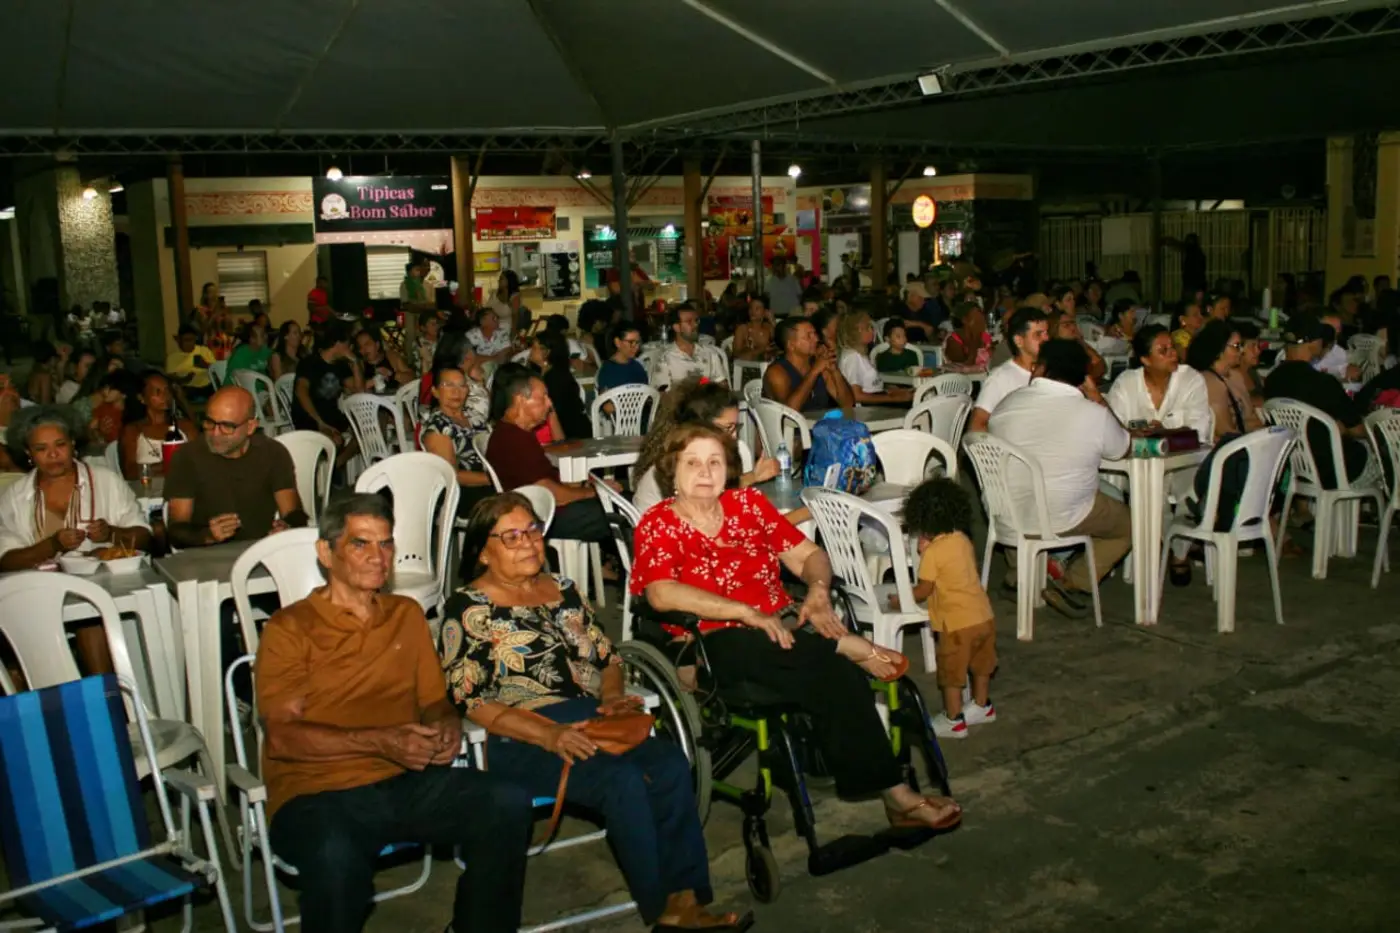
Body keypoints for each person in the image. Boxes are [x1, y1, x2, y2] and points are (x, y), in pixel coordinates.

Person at [441, 493, 753, 932]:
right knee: (620, 781)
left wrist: (611, 695)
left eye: (532, 530)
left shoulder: (565, 589)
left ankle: (687, 898)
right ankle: (664, 913)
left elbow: (610, 658)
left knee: (668, 763)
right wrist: (549, 735)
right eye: (510, 536)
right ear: (482, 552)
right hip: (522, 733)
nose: (528, 542)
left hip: (592, 717)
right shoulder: (469, 608)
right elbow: (471, 701)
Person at [631, 423, 960, 830]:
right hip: (715, 639)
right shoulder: (658, 523)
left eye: (714, 462)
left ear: (728, 469)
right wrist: (744, 612)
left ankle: (893, 793)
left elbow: (809, 555)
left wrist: (818, 590)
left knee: (833, 671)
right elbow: (660, 593)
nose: (705, 471)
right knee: (804, 654)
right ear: (672, 471)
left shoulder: (748, 504)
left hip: (783, 628)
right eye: (692, 463)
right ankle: (895, 788)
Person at [254, 492, 530, 933]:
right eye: (360, 543)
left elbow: (434, 701)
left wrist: (444, 728)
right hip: (318, 792)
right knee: (336, 859)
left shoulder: (405, 614)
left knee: (506, 802)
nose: (377, 556)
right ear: (326, 552)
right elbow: (283, 737)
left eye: (385, 544)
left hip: (402, 778)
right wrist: (381, 741)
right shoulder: (291, 628)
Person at [0, 406, 151, 672]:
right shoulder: (16, 496)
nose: (53, 455)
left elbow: (145, 537)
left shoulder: (105, 481)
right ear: (28, 453)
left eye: (60, 445)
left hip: (106, 591)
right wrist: (52, 545)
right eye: (41, 449)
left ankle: (103, 694)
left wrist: (111, 533)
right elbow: (6, 560)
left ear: (73, 444)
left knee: (88, 619)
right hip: (40, 597)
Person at [989, 339, 1132, 617]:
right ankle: (1073, 582)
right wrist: (1097, 398)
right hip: (1061, 517)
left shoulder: (1007, 403)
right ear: (1082, 377)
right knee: (1129, 524)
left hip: (1005, 514)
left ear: (1041, 368)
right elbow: (1122, 448)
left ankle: (1020, 574)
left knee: (1023, 495)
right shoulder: (1093, 413)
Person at [899, 477, 997, 739]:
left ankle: (954, 720)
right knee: (982, 665)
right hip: (984, 615)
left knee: (951, 674)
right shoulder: (962, 539)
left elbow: (924, 590)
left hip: (956, 624)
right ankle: (982, 706)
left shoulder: (933, 553)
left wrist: (900, 597)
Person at [483, 364, 613, 544]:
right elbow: (551, 492)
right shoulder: (513, 439)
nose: (549, 403)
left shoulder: (514, 433)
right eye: (543, 397)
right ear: (521, 400)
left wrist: (590, 486)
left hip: (545, 508)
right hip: (544, 515)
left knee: (620, 499)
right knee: (625, 509)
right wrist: (593, 492)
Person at [164, 386, 306, 549]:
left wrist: (287, 527)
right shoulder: (187, 457)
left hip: (259, 550)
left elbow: (294, 513)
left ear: (251, 426)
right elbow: (176, 531)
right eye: (210, 422)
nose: (215, 433)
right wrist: (207, 535)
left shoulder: (272, 453)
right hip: (206, 553)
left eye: (227, 426)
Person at [631, 377, 780, 515]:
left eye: (736, 427)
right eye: (728, 428)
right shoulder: (679, 465)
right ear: (700, 426)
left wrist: (754, 476)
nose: (734, 436)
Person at [1264, 319, 1371, 489]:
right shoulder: (1323, 383)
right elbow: (1357, 430)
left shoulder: (1272, 380)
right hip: (1334, 468)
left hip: (1294, 464)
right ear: (1314, 343)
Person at [1106, 325, 1211, 442]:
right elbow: (1110, 430)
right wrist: (1131, 434)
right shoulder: (1126, 383)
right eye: (1163, 351)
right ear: (1146, 360)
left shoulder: (1190, 379)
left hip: (1185, 453)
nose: (1173, 353)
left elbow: (1200, 431)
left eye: (1173, 347)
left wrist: (1165, 433)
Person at [969, 307, 1049, 434]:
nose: (1046, 339)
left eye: (1046, 333)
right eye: (1038, 334)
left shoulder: (1053, 371)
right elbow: (976, 426)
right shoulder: (1000, 378)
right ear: (1019, 341)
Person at [293, 320, 363, 458]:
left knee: (365, 433)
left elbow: (359, 391)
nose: (350, 347)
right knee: (333, 442)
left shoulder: (341, 366)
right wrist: (320, 422)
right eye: (348, 344)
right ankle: (331, 467)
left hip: (332, 416)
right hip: (310, 417)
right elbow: (301, 393)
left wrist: (355, 363)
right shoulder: (310, 363)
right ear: (338, 344)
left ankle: (336, 465)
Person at [762, 317, 854, 413]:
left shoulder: (820, 366)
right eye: (808, 336)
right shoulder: (777, 373)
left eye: (815, 334)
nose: (816, 339)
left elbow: (848, 404)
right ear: (791, 345)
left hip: (820, 421)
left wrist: (835, 370)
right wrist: (814, 372)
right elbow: (789, 413)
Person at [118, 371, 197, 480]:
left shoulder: (185, 427)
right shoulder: (133, 430)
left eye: (167, 390)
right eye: (157, 391)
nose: (165, 396)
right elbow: (130, 472)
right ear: (142, 398)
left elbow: (200, 460)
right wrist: (164, 467)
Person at [527, 330, 591, 441]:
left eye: (534, 348)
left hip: (571, 435)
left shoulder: (555, 378)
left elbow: (558, 413)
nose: (530, 351)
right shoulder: (547, 373)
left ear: (546, 352)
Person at [836, 312, 912, 405]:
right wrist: (893, 398)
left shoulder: (860, 353)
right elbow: (856, 396)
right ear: (858, 332)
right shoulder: (852, 357)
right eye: (868, 328)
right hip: (867, 408)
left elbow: (871, 387)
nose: (872, 331)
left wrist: (892, 392)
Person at [654, 303, 727, 387]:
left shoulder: (710, 353)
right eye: (689, 321)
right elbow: (662, 392)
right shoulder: (665, 359)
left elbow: (723, 384)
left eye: (696, 321)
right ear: (677, 327)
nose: (695, 325)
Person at [355, 325, 414, 392]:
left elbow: (411, 377)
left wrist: (392, 374)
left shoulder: (392, 356)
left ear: (377, 345)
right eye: (360, 347)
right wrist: (371, 382)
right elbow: (354, 390)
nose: (363, 349)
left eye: (367, 344)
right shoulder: (358, 365)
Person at [596, 323, 648, 393]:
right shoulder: (608, 371)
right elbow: (605, 398)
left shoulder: (637, 366)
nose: (636, 347)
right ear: (617, 342)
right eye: (631, 342)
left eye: (637, 342)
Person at [166, 325, 216, 399]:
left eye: (192, 340)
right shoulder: (172, 357)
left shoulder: (204, 351)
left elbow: (216, 370)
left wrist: (205, 365)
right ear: (179, 340)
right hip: (187, 388)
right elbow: (170, 378)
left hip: (207, 386)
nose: (189, 343)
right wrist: (184, 379)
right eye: (186, 340)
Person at [942, 302, 992, 370]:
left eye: (981, 315)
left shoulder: (985, 336)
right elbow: (962, 368)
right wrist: (975, 339)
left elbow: (993, 360)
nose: (981, 319)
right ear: (964, 320)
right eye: (976, 317)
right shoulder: (953, 340)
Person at [731, 297, 774, 362]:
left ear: (765, 312)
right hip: (745, 365)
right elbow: (736, 355)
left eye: (757, 308)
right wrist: (761, 349)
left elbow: (777, 346)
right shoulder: (742, 329)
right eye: (751, 308)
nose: (752, 311)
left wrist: (772, 321)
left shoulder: (768, 328)